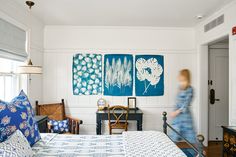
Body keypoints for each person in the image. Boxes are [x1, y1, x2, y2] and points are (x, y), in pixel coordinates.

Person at [170, 69, 196, 144]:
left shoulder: (190, 89)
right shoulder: (180, 87)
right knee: (174, 135)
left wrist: (176, 112)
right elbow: (177, 102)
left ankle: (200, 152)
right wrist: (174, 112)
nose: (178, 77)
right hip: (177, 117)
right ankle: (170, 152)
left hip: (185, 117)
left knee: (191, 137)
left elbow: (186, 104)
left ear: (184, 76)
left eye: (180, 75)